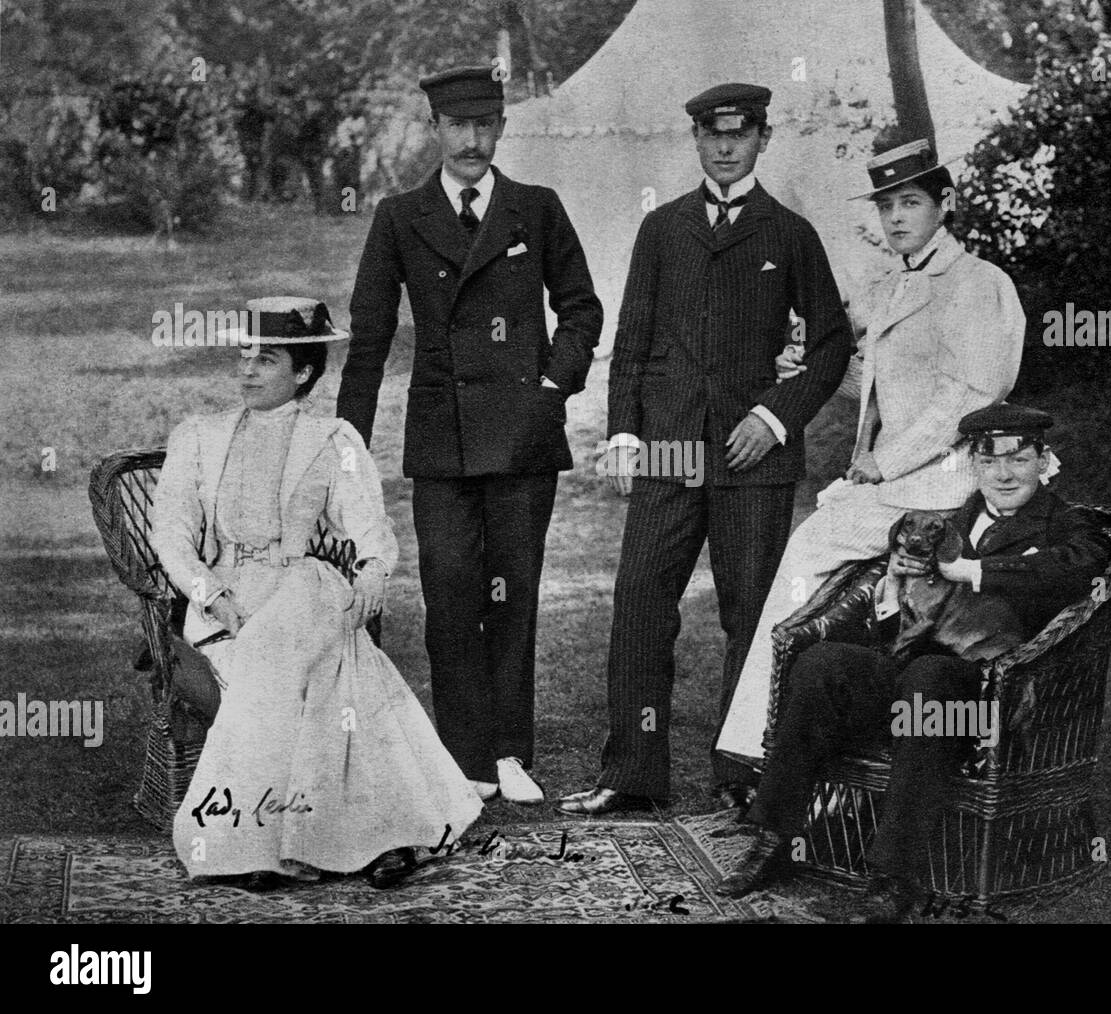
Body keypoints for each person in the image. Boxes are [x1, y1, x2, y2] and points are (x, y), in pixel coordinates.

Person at [557, 83, 852, 816]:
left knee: (750, 611)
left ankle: (740, 773)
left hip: (754, 457)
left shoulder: (790, 233)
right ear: (695, 141)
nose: (726, 147)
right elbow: (632, 339)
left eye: (740, 134)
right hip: (669, 448)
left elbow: (831, 343)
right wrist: (625, 430)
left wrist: (776, 417)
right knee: (639, 601)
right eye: (713, 135)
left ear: (763, 139)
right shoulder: (663, 227)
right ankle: (632, 773)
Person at [713, 404, 1111, 921]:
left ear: (1044, 460)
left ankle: (891, 877)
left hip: (993, 689)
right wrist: (892, 585)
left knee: (929, 678)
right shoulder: (948, 519)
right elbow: (895, 619)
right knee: (823, 662)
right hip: (911, 668)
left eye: (1019, 458)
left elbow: (1081, 567)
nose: (1004, 473)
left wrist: (971, 570)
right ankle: (773, 837)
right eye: (990, 461)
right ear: (973, 465)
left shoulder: (1068, 525)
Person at [715, 136, 1027, 772]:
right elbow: (883, 384)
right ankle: (779, 744)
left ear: (946, 203)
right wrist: (812, 370)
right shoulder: (892, 285)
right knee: (809, 571)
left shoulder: (976, 284)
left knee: (803, 556)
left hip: (939, 487)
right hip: (893, 486)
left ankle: (757, 745)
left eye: (910, 202)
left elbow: (970, 394)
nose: (896, 219)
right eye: (886, 207)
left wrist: (885, 463)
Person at [337, 67, 603, 804]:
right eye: (459, 125)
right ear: (436, 128)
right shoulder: (399, 216)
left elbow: (582, 309)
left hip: (523, 439)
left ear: (503, 128)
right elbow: (370, 337)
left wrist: (553, 388)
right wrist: (345, 447)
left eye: (487, 124)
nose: (473, 140)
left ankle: (512, 752)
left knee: (513, 592)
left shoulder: (536, 209)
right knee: (450, 591)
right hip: (443, 442)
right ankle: (466, 760)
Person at [155, 297, 483, 891]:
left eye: (268, 359)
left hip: (304, 588)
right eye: (244, 355)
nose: (248, 370)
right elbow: (170, 535)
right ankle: (386, 835)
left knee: (308, 636)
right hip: (226, 599)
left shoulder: (335, 441)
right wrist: (210, 592)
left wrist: (375, 572)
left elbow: (369, 528)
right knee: (344, 667)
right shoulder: (197, 437)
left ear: (303, 372)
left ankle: (257, 843)